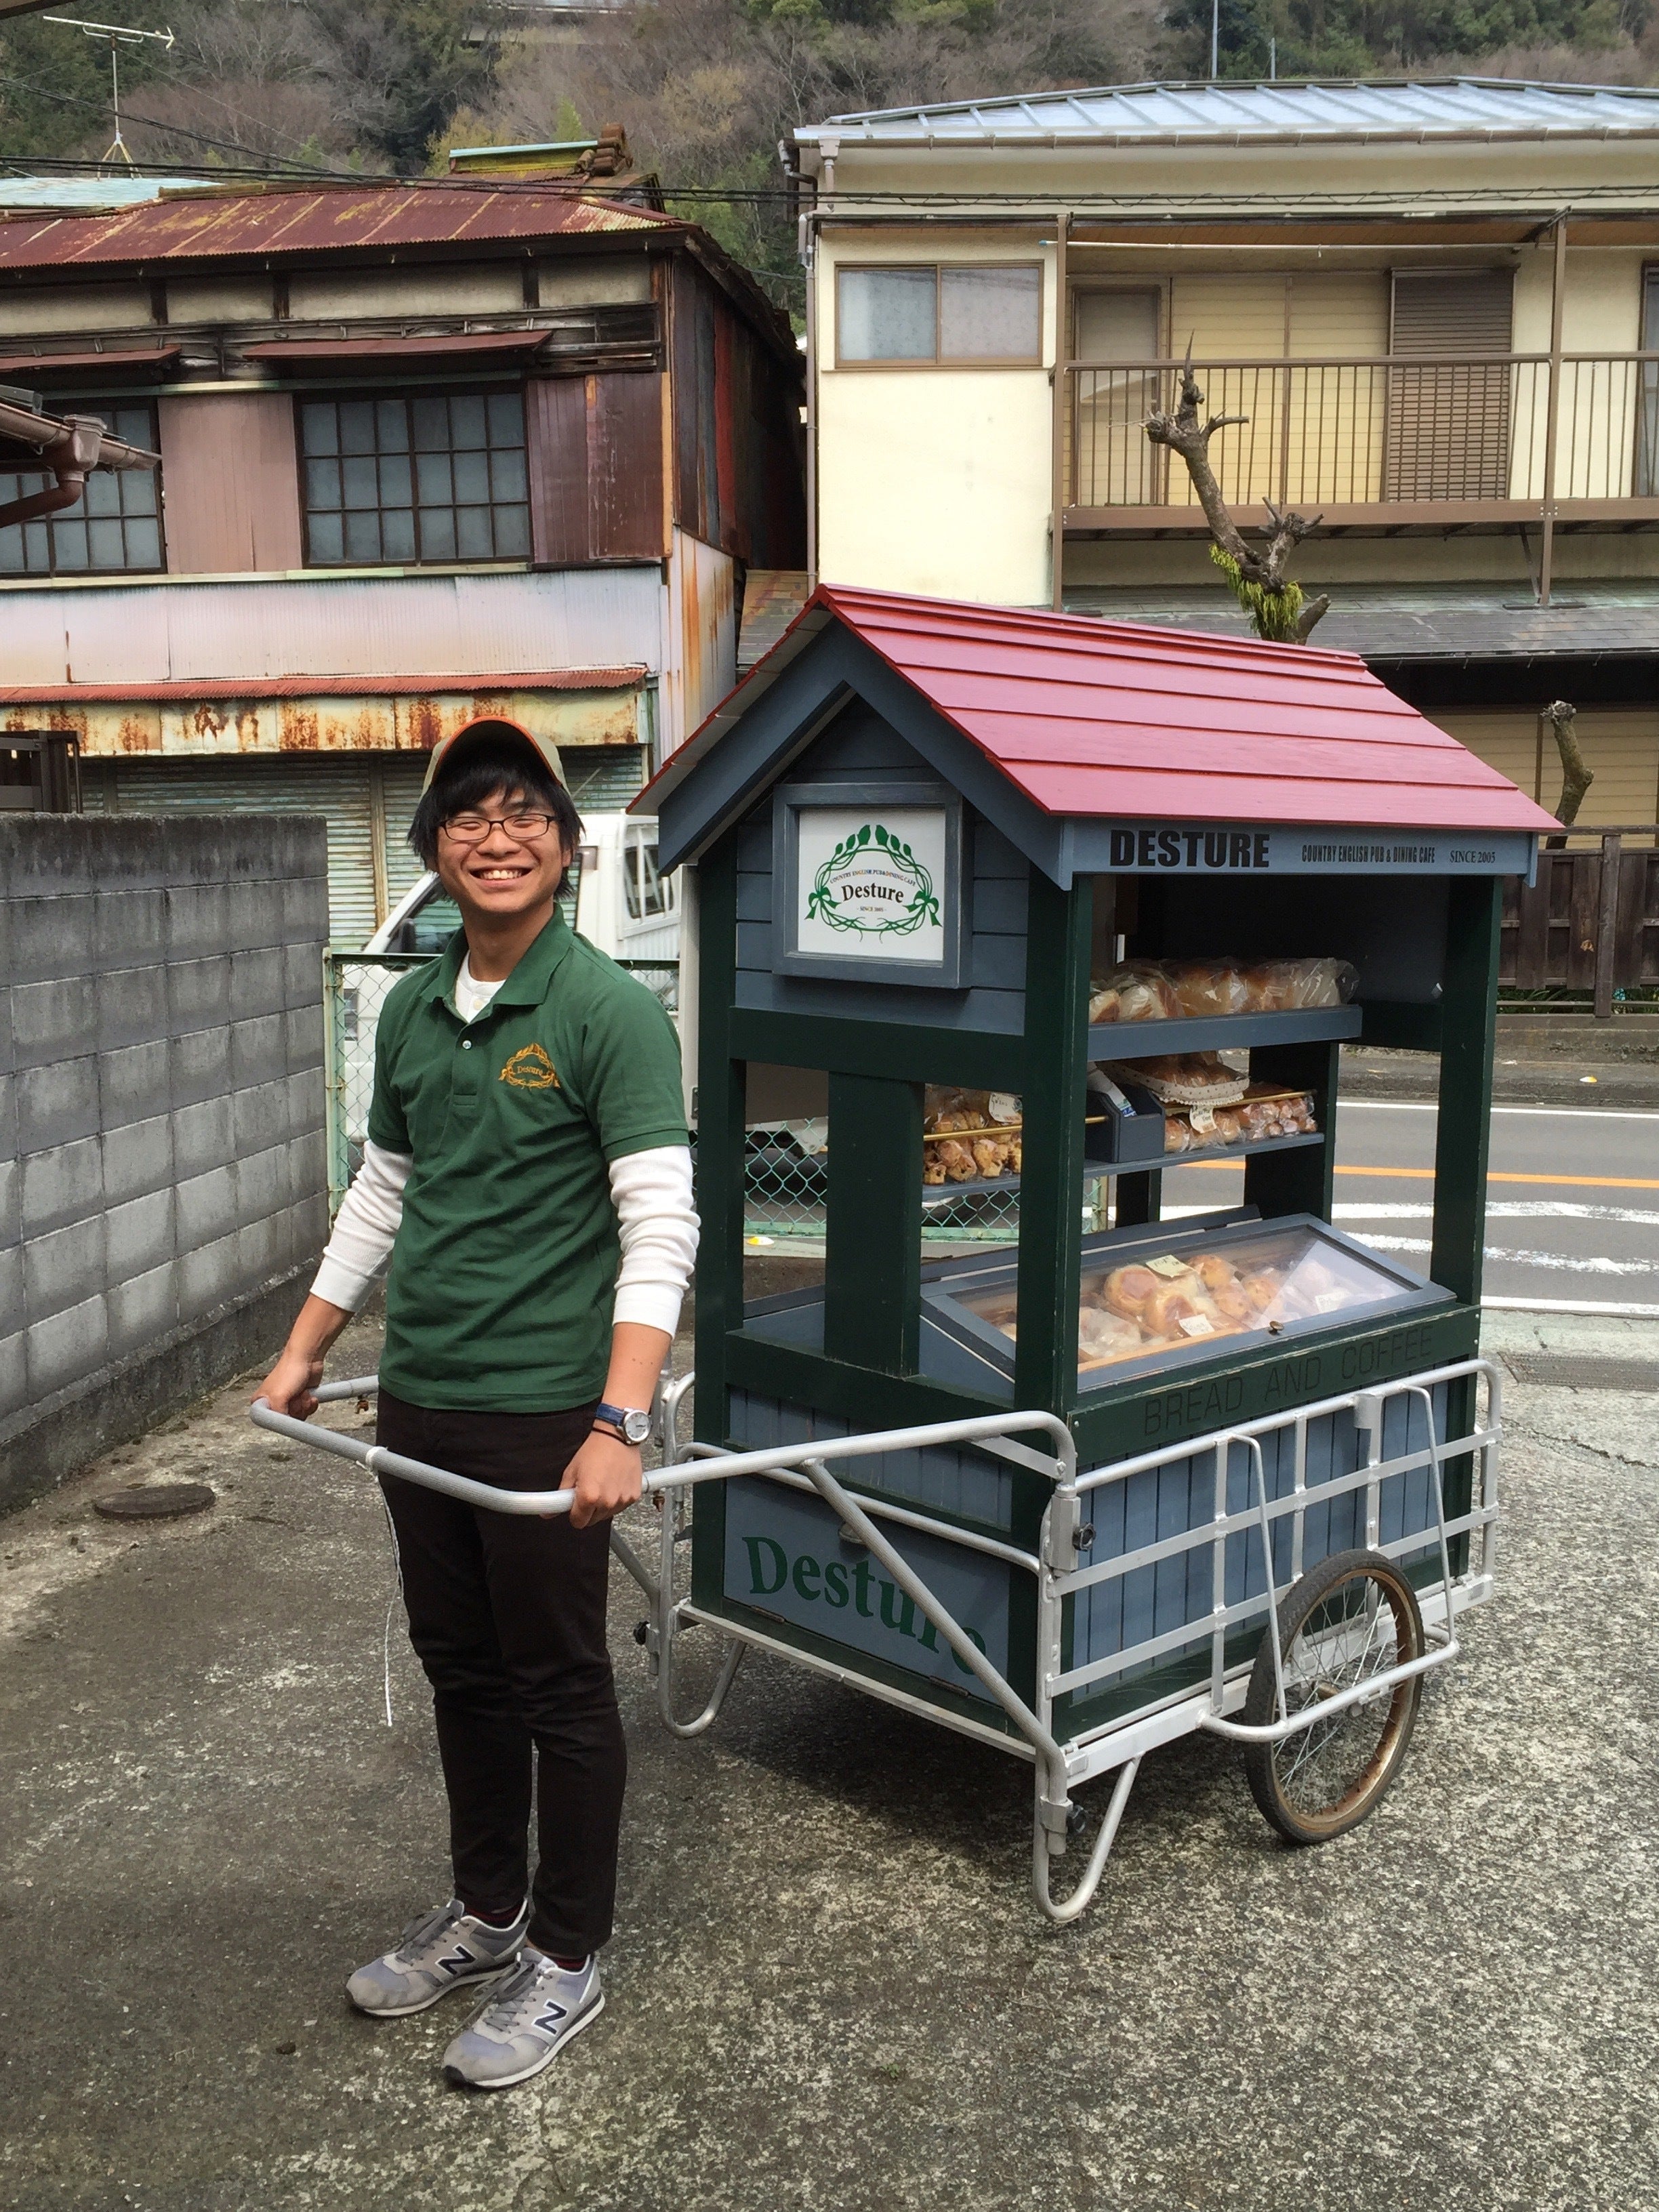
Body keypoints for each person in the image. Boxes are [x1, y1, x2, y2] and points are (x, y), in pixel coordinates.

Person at [257, 718, 697, 2091]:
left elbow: (661, 1226)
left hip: (547, 1416)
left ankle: (567, 1953)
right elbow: (385, 1190)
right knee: (461, 1670)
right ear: (434, 850)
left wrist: (620, 1422)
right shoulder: (410, 1009)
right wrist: (306, 1347)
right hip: (425, 1402)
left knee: (560, 1685)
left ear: (563, 848)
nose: (497, 839)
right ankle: (488, 1911)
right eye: (469, 817)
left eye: (525, 816)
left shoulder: (607, 1013)